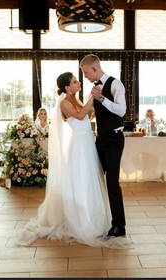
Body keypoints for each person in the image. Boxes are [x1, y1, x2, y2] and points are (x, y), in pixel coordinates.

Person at [17, 72, 130, 248]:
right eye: (75, 82)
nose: (79, 83)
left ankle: (93, 218)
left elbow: (87, 114)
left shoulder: (76, 100)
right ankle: (80, 221)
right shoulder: (64, 103)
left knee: (90, 182)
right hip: (78, 146)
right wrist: (95, 97)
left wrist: (98, 103)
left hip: (87, 144)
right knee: (81, 181)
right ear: (67, 87)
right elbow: (79, 116)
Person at [80, 54, 126, 238]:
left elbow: (121, 110)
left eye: (85, 72)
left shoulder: (116, 84)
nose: (85, 77)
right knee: (95, 179)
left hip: (115, 140)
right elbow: (91, 113)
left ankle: (119, 225)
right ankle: (98, 220)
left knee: (112, 183)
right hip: (100, 140)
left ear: (94, 69)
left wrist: (101, 99)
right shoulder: (94, 89)